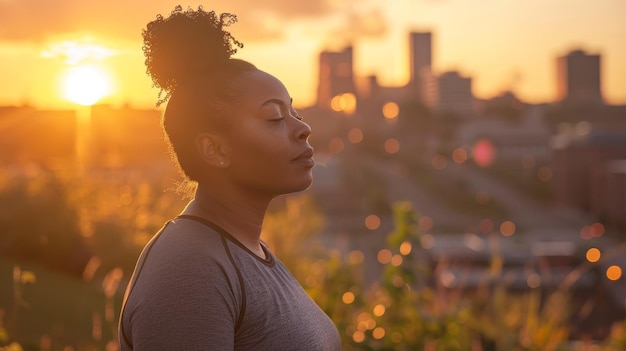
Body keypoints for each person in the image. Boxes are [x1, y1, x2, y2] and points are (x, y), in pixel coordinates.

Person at [118, 5, 342, 351]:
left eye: (294, 113)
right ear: (214, 150)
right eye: (274, 117)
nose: (304, 129)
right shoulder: (190, 269)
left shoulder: (249, 253)